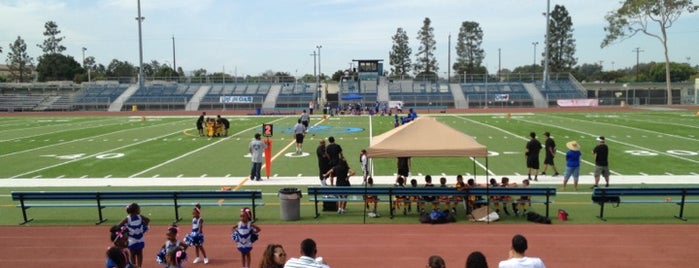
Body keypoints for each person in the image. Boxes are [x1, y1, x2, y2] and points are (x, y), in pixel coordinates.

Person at [118, 203, 150, 268]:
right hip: (131, 238)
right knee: (132, 253)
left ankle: (139, 266)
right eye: (139, 209)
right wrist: (124, 230)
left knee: (140, 252)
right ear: (135, 210)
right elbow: (119, 225)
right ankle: (133, 266)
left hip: (140, 237)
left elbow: (148, 220)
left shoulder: (140, 216)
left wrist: (143, 225)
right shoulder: (128, 218)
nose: (140, 210)